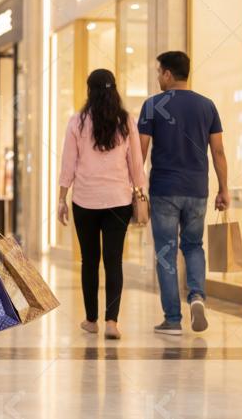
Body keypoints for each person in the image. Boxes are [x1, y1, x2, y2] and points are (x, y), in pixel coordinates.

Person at [138, 51, 229, 335]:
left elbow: (140, 152)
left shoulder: (152, 105)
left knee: (166, 252)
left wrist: (136, 188)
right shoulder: (207, 106)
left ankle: (173, 319)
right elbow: (218, 151)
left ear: (168, 74)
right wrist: (224, 189)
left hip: (164, 189)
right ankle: (197, 296)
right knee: (193, 246)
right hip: (197, 189)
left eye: (159, 72)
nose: (158, 77)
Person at [57, 69, 147, 340]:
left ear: (89, 91)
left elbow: (68, 163)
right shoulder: (126, 121)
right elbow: (136, 162)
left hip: (85, 201)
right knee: (113, 261)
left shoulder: (77, 122)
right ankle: (112, 322)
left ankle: (91, 320)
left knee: (89, 261)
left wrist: (61, 198)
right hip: (119, 201)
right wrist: (140, 191)